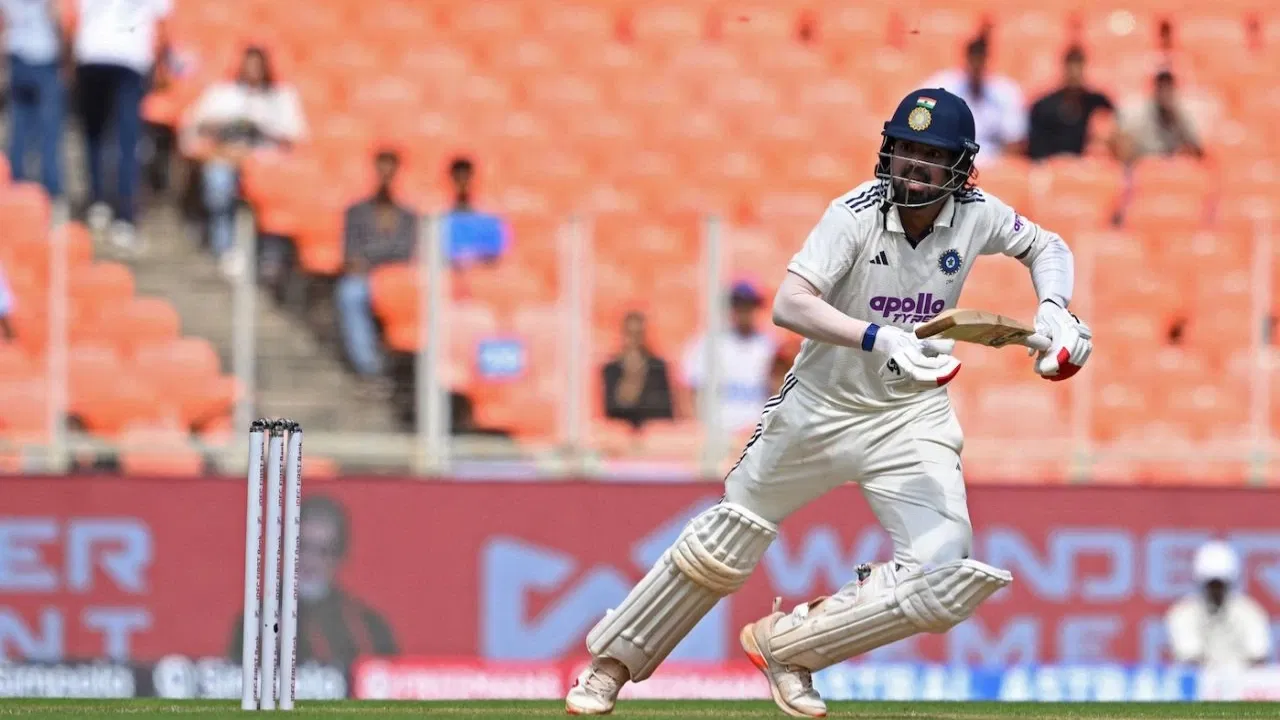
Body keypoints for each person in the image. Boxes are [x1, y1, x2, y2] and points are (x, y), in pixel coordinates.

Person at [564, 88, 1094, 717]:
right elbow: (789, 303)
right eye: (905, 150)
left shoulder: (978, 212)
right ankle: (608, 668)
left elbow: (1047, 246)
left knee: (940, 570)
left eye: (932, 155)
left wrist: (1055, 311)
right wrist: (877, 335)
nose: (914, 166)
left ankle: (790, 652)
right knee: (729, 537)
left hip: (909, 414)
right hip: (819, 405)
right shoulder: (854, 214)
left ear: (961, 167)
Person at [230, 495, 397, 672]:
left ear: (340, 557)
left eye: (323, 551)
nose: (310, 561)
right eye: (302, 546)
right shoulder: (258, 618)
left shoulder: (368, 626)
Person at [182, 45, 306, 276]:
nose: (252, 70)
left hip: (269, 168)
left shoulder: (281, 97)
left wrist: (259, 130)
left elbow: (295, 136)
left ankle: (270, 252)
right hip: (227, 159)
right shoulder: (222, 93)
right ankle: (224, 249)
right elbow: (194, 126)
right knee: (218, 181)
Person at [70, 0, 172, 249]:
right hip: (129, 56)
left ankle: (99, 202)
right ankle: (124, 215)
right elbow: (164, 17)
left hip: (92, 52)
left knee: (95, 134)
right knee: (127, 140)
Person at [336, 149, 417, 379]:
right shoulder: (356, 212)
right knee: (350, 293)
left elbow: (405, 252)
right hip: (366, 278)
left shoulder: (407, 215)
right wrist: (379, 259)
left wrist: (373, 258)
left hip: (397, 280)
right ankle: (369, 367)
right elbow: (350, 253)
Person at [679, 281, 778, 434]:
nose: (743, 311)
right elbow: (692, 393)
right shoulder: (708, 344)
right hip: (715, 433)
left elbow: (777, 392)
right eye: (738, 305)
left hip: (757, 434)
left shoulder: (769, 346)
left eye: (748, 305)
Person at [1165, 540, 1271, 671]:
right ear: (1201, 582)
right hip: (1199, 686)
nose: (1216, 591)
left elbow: (1258, 656)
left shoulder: (1250, 612)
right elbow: (1189, 657)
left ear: (1231, 582)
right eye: (1211, 584)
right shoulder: (1183, 613)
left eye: (1221, 584)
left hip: (1242, 685)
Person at [922, 34, 1027, 160]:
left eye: (981, 59)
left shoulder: (1006, 91)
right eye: (973, 59)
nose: (976, 65)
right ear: (966, 59)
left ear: (987, 60)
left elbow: (1015, 142)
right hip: (950, 155)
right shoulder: (942, 85)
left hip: (992, 162)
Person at [0, 0, 65, 198]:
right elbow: (57, 17)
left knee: (19, 130)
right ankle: (51, 192)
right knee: (49, 133)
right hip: (44, 59)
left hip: (18, 59)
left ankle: (14, 188)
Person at [1027, 46, 1116, 161]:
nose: (1074, 73)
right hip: (1054, 165)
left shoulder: (1097, 102)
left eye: (1078, 68)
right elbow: (1036, 148)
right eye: (1071, 68)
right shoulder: (1044, 107)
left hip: (1087, 165)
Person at [602, 311, 674, 431]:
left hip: (651, 435)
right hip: (621, 436)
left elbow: (665, 411)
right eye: (630, 334)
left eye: (638, 334)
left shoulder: (657, 367)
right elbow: (612, 410)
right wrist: (632, 377)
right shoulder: (611, 369)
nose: (634, 340)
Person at [1116, 70, 1204, 162]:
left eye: (1168, 87)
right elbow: (1143, 150)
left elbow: (1197, 148)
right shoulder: (1141, 116)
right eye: (1161, 87)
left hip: (1174, 168)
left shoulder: (1181, 114)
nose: (1165, 93)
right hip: (1149, 167)